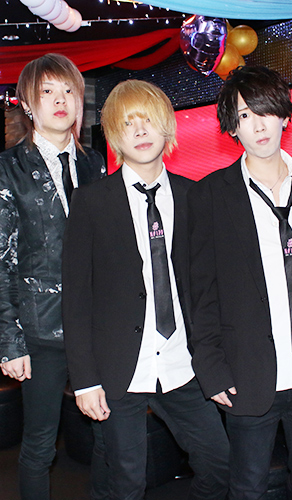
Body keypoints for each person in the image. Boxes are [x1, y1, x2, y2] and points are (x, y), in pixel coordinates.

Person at [62, 79, 229, 500]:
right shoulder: (91, 202)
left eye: (148, 121)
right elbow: (76, 301)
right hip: (119, 369)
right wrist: (85, 381)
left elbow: (208, 289)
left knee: (219, 463)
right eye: (128, 123)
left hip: (183, 364)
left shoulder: (194, 196)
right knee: (127, 482)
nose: (139, 131)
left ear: (167, 127)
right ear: (114, 135)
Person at [188, 65, 292, 500]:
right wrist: (212, 369)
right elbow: (200, 292)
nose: (258, 125)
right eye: (244, 116)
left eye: (266, 111)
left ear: (285, 117)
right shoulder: (211, 194)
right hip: (248, 371)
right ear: (232, 128)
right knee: (248, 487)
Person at [0, 53, 106, 500]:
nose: (60, 100)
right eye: (47, 91)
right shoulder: (6, 167)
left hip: (96, 324)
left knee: (109, 435)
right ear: (29, 105)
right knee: (39, 445)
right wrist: (9, 340)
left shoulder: (95, 164)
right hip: (41, 328)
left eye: (68, 90)